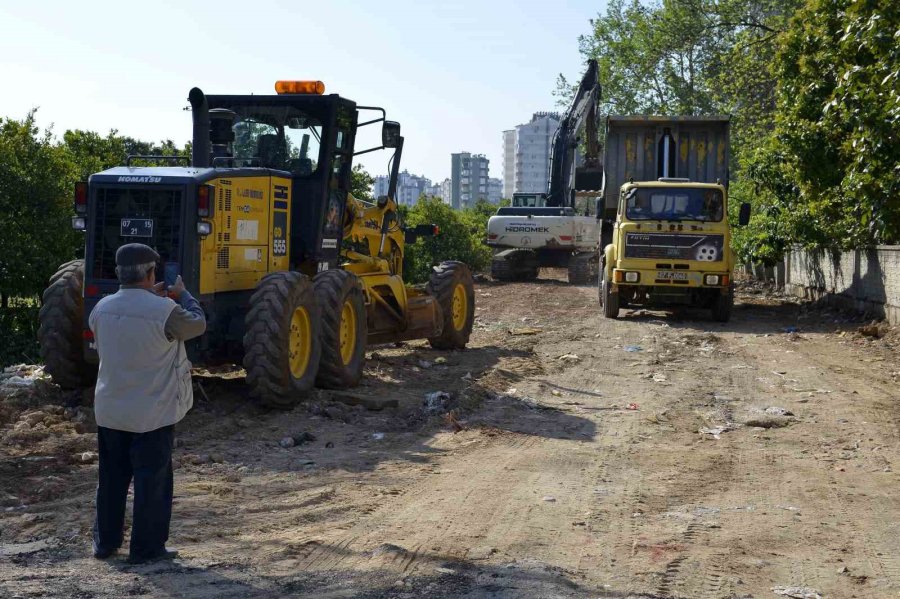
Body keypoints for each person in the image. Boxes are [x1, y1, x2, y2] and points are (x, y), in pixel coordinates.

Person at [88, 243, 206, 564]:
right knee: (151, 482)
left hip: (110, 412)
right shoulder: (165, 311)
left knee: (111, 481)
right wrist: (182, 295)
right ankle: (147, 548)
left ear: (119, 273)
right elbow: (196, 324)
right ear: (151, 273)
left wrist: (150, 298)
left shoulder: (100, 309)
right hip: (151, 415)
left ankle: (105, 543)